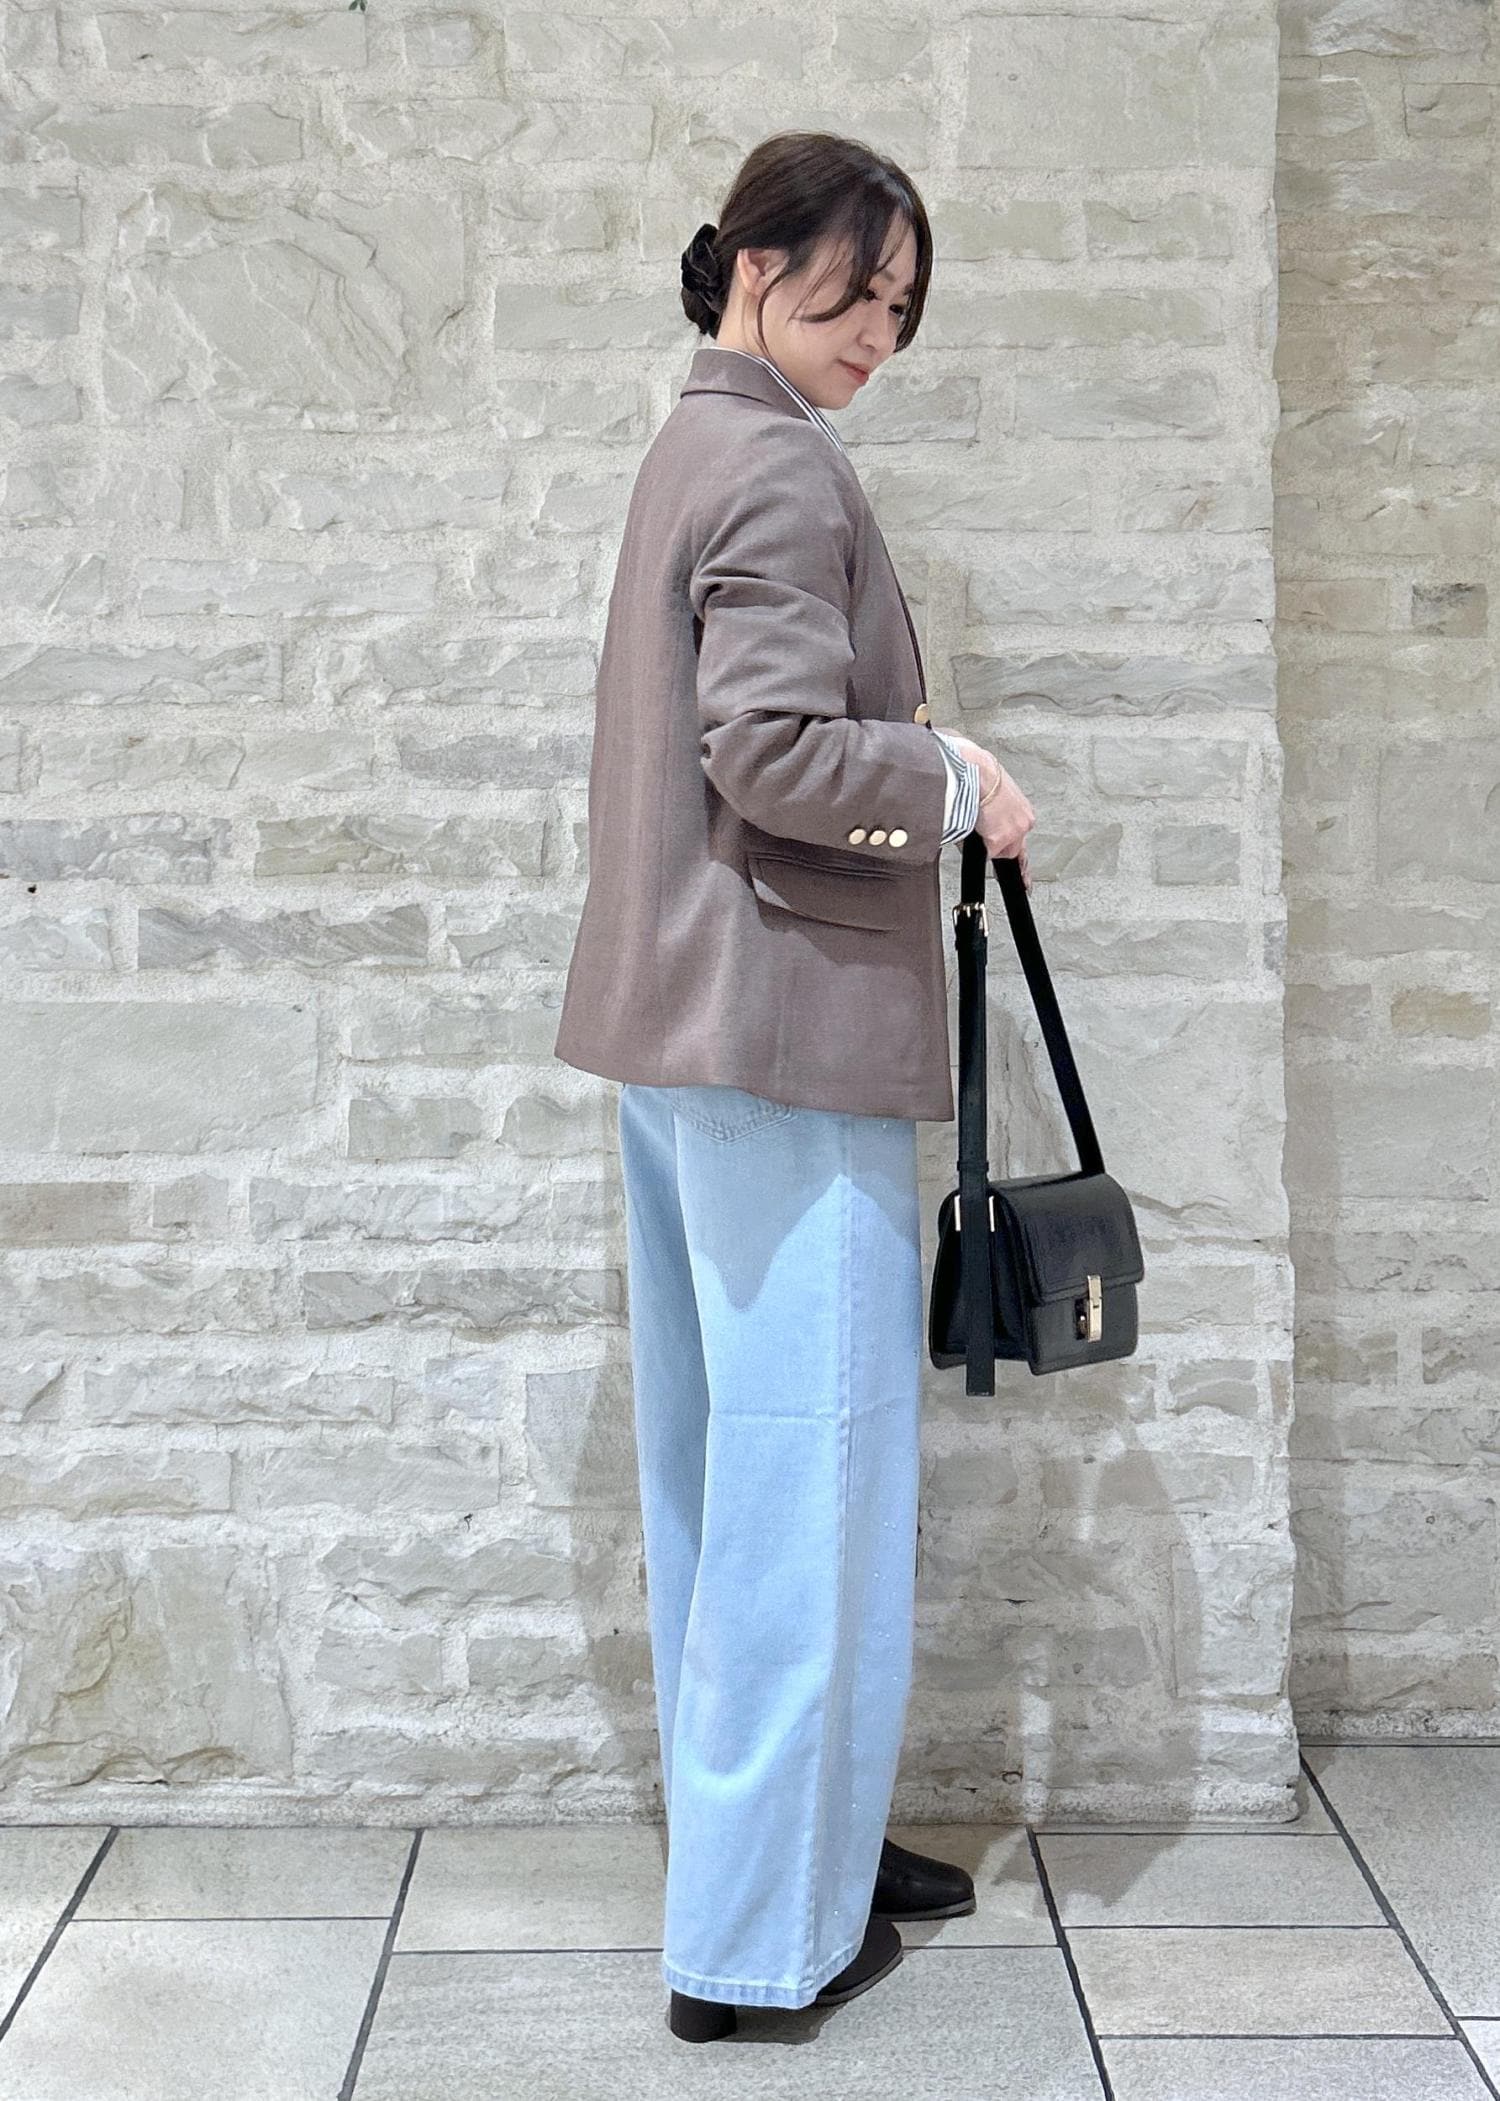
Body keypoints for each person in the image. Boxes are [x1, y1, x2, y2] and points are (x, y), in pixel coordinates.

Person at [553, 130, 1035, 2043]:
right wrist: (953, 780)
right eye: (857, 290)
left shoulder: (698, 442)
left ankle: (790, 1848)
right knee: (806, 1487)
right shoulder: (773, 462)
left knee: (729, 1480)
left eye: (904, 308)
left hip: (689, 1034)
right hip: (782, 1034)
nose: (879, 336)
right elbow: (768, 749)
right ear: (757, 262)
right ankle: (759, 1940)